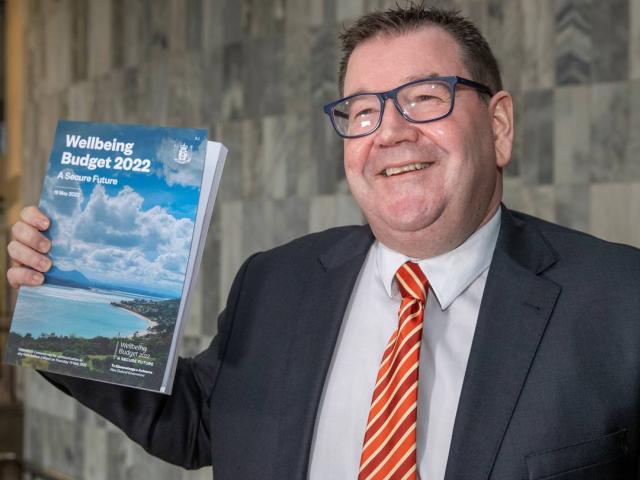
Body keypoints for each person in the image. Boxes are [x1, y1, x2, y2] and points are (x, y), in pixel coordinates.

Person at [6, 4, 640, 480]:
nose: (390, 132)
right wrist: (54, 300)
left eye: (425, 98)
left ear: (498, 126)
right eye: (363, 111)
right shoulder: (275, 280)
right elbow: (200, 423)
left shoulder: (620, 300)